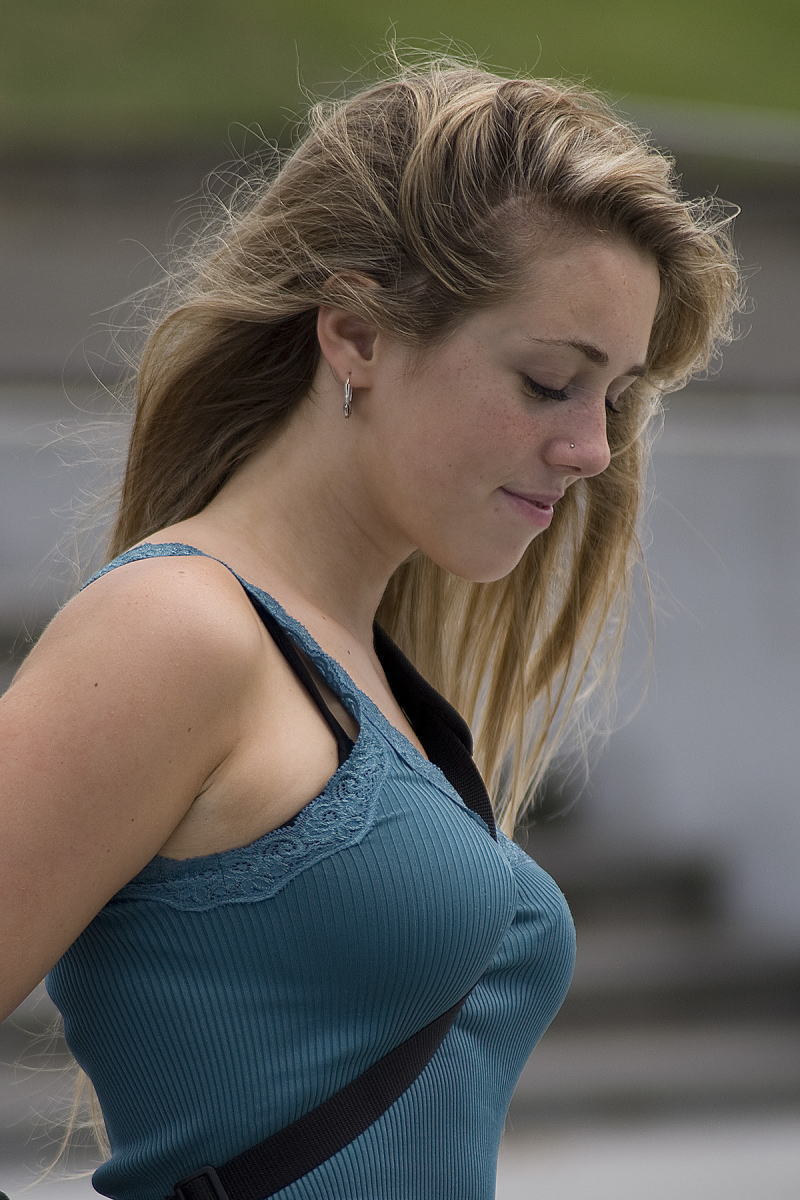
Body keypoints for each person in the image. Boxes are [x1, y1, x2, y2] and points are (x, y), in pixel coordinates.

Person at [1, 55, 739, 1200]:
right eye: (550, 380)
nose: (593, 449)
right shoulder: (173, 631)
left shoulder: (360, 658)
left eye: (616, 397)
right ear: (354, 336)